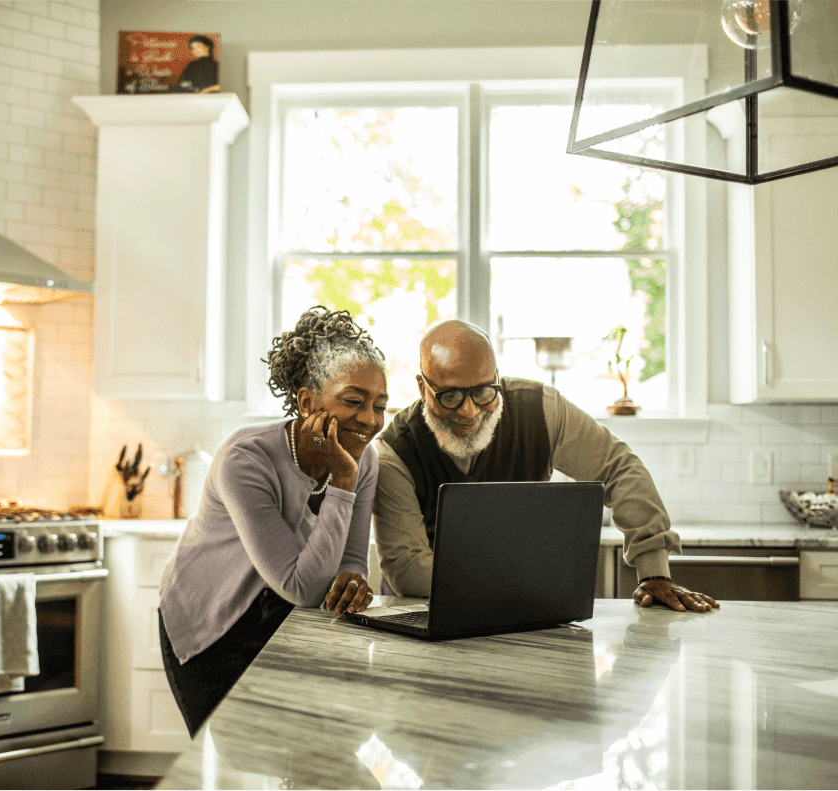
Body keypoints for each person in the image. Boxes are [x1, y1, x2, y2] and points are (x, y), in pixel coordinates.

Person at [373, 319, 719, 613]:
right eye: (450, 396)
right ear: (422, 387)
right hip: (422, 616)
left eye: (484, 391)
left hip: (525, 612)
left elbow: (618, 468)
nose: (470, 411)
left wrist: (653, 570)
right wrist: (533, 577)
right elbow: (408, 571)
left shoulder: (543, 411)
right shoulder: (393, 452)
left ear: (497, 376)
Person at [158, 306, 388, 736]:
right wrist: (342, 480)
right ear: (306, 402)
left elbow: (351, 560)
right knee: (227, 769)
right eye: (354, 402)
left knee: (296, 754)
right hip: (212, 622)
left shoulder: (364, 459)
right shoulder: (245, 460)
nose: (371, 420)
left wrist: (353, 579)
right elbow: (302, 587)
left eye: (380, 405)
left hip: (281, 618)